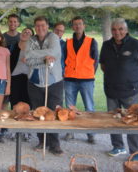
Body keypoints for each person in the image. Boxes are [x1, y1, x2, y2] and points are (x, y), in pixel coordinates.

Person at [100, 18, 138, 162]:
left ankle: (137, 152)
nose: (117, 32)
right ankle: (118, 146)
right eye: (114, 29)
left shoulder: (137, 44)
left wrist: (136, 82)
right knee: (113, 121)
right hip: (111, 90)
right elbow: (103, 65)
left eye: (120, 29)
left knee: (134, 121)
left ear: (126, 30)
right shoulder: (106, 45)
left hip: (130, 92)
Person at [25, 16, 64, 155]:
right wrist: (44, 58)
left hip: (54, 82)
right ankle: (42, 141)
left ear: (47, 26)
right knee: (38, 113)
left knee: (53, 112)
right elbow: (27, 59)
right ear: (35, 27)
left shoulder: (53, 37)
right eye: (37, 26)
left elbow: (54, 53)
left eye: (43, 25)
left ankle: (55, 144)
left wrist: (34, 55)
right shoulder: (31, 40)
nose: (40, 28)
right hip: (35, 83)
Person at [63, 16, 98, 144]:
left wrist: (88, 73)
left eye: (80, 24)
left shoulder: (91, 41)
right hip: (70, 79)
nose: (77, 26)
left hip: (86, 79)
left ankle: (91, 134)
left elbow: (96, 61)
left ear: (84, 26)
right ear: (72, 27)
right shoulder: (68, 42)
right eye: (75, 24)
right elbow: (64, 60)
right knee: (70, 108)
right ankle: (70, 132)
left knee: (89, 107)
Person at [10, 27, 34, 108]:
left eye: (28, 33)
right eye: (24, 32)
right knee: (15, 103)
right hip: (14, 78)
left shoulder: (33, 50)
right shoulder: (12, 47)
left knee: (28, 104)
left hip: (27, 79)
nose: (25, 34)